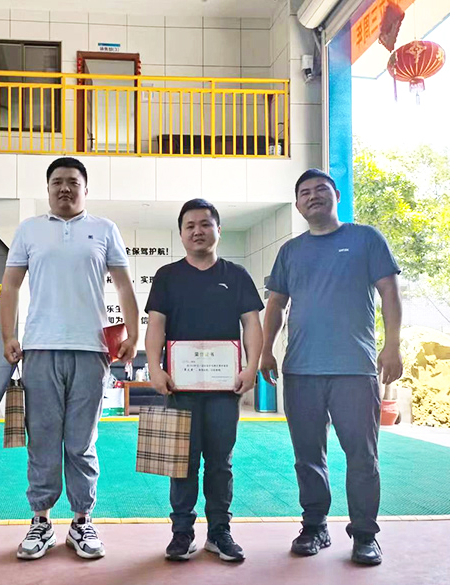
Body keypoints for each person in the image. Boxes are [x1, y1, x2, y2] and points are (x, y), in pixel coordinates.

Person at [259, 169, 403, 566]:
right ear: (297, 204)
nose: (313, 196)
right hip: (301, 370)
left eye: (321, 189)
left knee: (362, 456)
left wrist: (392, 345)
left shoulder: (366, 239)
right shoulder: (290, 251)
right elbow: (276, 304)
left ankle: (365, 535)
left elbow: (389, 291)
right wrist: (267, 350)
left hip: (355, 370)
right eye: (304, 192)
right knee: (307, 456)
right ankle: (314, 526)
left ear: (336, 195)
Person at [0, 157, 138, 560]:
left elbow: (124, 286)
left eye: (73, 182)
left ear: (85, 189)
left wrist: (134, 333)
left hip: (91, 350)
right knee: (42, 439)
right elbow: (10, 286)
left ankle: (82, 521)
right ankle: (41, 522)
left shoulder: (105, 229)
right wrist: (8, 335)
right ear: (48, 189)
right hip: (40, 348)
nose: (65, 188)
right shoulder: (29, 230)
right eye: (57, 182)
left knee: (82, 441)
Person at [145, 199, 264, 562]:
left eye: (205, 224)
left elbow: (252, 324)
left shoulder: (236, 275)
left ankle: (219, 532)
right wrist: (155, 368)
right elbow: (156, 325)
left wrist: (251, 367)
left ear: (218, 230)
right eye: (190, 225)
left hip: (224, 390)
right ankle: (182, 533)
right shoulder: (167, 276)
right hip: (179, 387)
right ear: (181, 234)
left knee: (220, 462)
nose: (198, 231)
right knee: (181, 461)